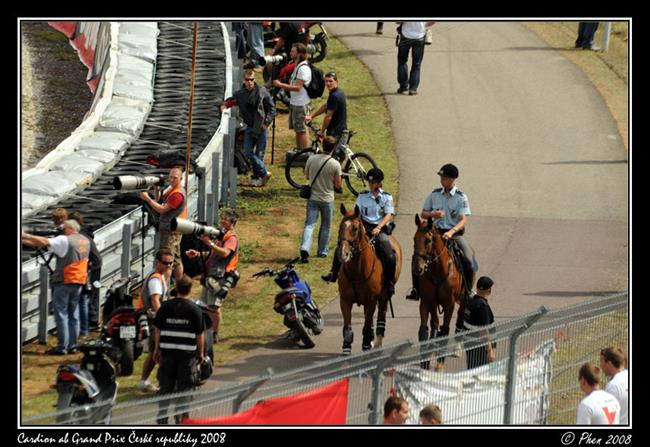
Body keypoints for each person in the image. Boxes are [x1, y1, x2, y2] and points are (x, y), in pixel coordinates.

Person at [406, 163, 477, 301]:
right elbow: (423, 214)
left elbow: (463, 220)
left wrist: (451, 232)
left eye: (444, 177)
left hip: (453, 234)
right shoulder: (434, 194)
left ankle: (467, 291)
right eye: (441, 177)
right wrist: (433, 214)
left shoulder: (461, 197)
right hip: (435, 233)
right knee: (417, 256)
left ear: (452, 179)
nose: (441, 180)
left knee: (469, 259)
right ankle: (416, 290)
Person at [321, 168, 397, 297]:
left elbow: (389, 214)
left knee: (390, 255)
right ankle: (334, 273)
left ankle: (389, 283)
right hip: (364, 227)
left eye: (373, 183)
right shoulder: (362, 196)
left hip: (379, 229)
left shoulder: (386, 197)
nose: (370, 185)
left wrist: (379, 227)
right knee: (343, 244)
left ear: (379, 183)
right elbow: (357, 213)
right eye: (369, 182)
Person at [22, 220, 91, 355]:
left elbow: (45, 242)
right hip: (79, 280)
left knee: (62, 314)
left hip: (64, 280)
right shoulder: (84, 240)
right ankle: (72, 345)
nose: (62, 230)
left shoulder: (65, 240)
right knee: (73, 314)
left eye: (64, 228)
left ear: (70, 228)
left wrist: (26, 236)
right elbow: (47, 246)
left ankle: (62, 347)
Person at [153, 275, 207, 425]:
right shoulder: (194, 309)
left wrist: (157, 349)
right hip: (186, 355)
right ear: (190, 290)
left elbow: (158, 329)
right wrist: (200, 353)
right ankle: (182, 418)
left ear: (176, 288)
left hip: (168, 353)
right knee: (184, 387)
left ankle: (162, 416)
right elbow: (199, 334)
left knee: (165, 386)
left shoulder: (165, 307)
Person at [186, 209, 240, 344]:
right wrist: (198, 254)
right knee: (204, 305)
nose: (222, 221)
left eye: (226, 219)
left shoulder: (231, 238)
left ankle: (215, 334)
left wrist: (209, 243)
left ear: (233, 223)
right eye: (222, 218)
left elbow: (224, 254)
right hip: (211, 275)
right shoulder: (221, 237)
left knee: (214, 307)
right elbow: (213, 255)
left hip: (219, 276)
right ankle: (207, 331)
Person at [221, 69, 276, 187]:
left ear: (255, 79)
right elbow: (231, 101)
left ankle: (258, 177)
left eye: (252, 80)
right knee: (248, 152)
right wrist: (224, 106)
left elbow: (272, 108)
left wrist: (266, 123)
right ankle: (264, 173)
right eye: (247, 80)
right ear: (244, 80)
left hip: (261, 127)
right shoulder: (240, 94)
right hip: (249, 127)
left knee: (259, 153)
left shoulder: (262, 91)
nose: (250, 82)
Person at [299, 136, 343, 263]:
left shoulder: (311, 159)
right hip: (327, 198)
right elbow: (338, 185)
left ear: (322, 145)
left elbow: (306, 175)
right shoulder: (335, 164)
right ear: (333, 148)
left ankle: (305, 247)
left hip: (313, 197)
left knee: (309, 224)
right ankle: (322, 251)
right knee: (326, 226)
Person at [140, 166, 186, 282]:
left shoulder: (177, 194)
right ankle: (179, 284)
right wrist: (157, 190)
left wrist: (147, 199)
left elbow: (161, 209)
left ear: (181, 179)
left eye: (174, 178)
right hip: (175, 228)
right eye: (170, 177)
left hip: (170, 231)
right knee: (176, 259)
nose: (171, 180)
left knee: (167, 260)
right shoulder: (172, 189)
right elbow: (160, 200)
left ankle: (164, 285)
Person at [137, 248, 173, 393]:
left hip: (153, 318)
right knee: (158, 352)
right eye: (165, 263)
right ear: (157, 262)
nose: (169, 266)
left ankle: (144, 382)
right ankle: (163, 383)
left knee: (154, 354)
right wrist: (163, 318)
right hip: (153, 319)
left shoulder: (160, 275)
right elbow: (155, 300)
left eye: (171, 263)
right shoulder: (156, 279)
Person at [273, 42, 312, 150]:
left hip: (301, 103)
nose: (290, 53)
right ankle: (299, 150)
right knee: (298, 129)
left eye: (293, 51)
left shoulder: (303, 68)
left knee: (302, 129)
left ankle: (303, 151)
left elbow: (297, 87)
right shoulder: (297, 66)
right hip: (296, 102)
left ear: (299, 54)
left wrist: (280, 85)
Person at [69, 211, 103, 334]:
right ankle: (93, 320)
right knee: (92, 293)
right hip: (95, 264)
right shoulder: (84, 232)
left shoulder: (81, 235)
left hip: (93, 266)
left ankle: (93, 320)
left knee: (90, 293)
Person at [463, 276, 496, 369]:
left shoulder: (471, 302)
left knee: (472, 368)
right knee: (480, 371)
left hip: (469, 342)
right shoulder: (482, 306)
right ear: (489, 291)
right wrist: (490, 351)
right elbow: (484, 331)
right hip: (480, 346)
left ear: (477, 288)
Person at [305, 71, 347, 141]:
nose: (328, 83)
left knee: (328, 151)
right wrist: (312, 116)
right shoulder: (338, 91)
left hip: (335, 132)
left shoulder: (334, 96)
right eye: (326, 81)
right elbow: (327, 106)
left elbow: (328, 117)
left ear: (336, 81)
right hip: (340, 129)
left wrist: (322, 132)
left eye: (331, 81)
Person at [396, 21, 435, 95]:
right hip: (419, 36)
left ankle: (403, 86)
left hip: (405, 35)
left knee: (402, 61)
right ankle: (413, 88)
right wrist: (423, 25)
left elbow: (398, 21)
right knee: (416, 64)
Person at [600, 347, 628, 424]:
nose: (600, 366)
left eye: (601, 362)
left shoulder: (613, 387)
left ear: (609, 364)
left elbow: (608, 418)